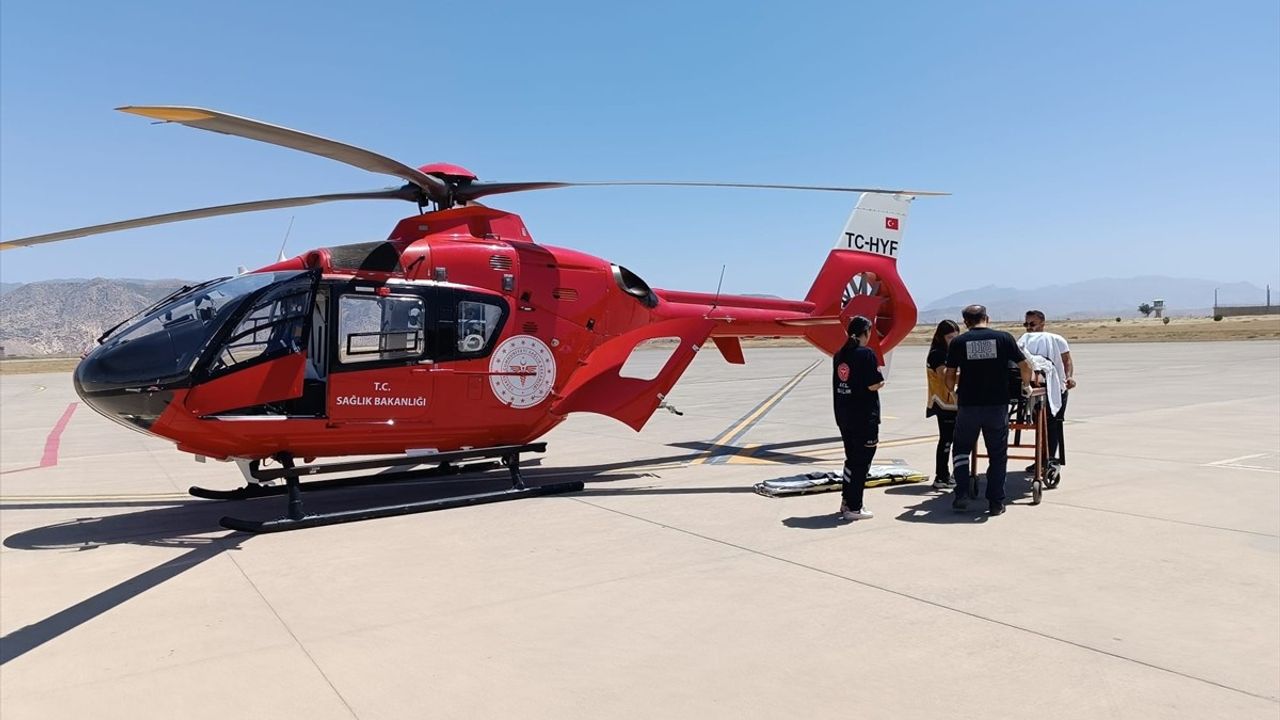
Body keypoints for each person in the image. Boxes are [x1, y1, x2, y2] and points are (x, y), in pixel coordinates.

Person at [944, 305, 1033, 516]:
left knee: (961, 450)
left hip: (968, 405)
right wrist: (1026, 385)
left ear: (966, 322)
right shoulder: (1004, 338)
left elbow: (950, 373)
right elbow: (1025, 365)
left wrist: (952, 392)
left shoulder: (958, 342)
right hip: (996, 405)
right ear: (987, 318)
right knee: (997, 454)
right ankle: (995, 502)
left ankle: (961, 493)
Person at [832, 315, 884, 521]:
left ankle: (846, 501)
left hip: (844, 415)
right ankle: (854, 506)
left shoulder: (840, 354)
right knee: (862, 462)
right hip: (864, 416)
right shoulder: (866, 353)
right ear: (866, 333)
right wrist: (881, 383)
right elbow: (873, 383)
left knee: (851, 460)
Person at [1018, 310, 1075, 468]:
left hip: (1057, 386)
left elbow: (1067, 361)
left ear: (1042, 323)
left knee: (1053, 424)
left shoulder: (1056, 339)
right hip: (1035, 388)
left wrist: (1068, 377)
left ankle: (1048, 460)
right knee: (1039, 425)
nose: (1029, 327)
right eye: (1026, 324)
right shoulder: (1024, 340)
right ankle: (1041, 460)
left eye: (1032, 324)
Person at [925, 319, 961, 489]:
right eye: (950, 337)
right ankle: (941, 476)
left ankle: (949, 474)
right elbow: (945, 376)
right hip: (943, 403)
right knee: (946, 440)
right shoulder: (937, 354)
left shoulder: (952, 352)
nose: (953, 340)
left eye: (956, 337)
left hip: (953, 402)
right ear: (941, 337)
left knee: (954, 440)